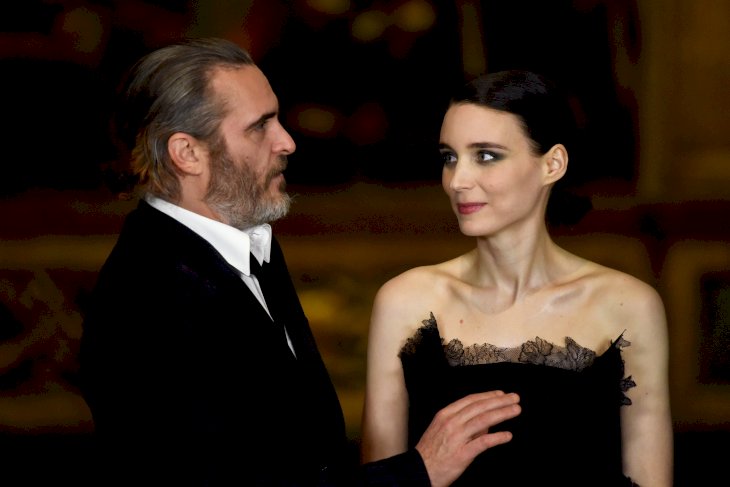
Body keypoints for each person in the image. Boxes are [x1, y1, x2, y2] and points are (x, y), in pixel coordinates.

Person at [78, 37, 521, 487]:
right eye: (259, 126)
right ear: (187, 153)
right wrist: (418, 471)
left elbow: (300, 453)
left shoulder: (247, 244)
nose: (287, 141)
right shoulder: (149, 300)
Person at [360, 70, 673, 486]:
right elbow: (379, 485)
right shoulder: (405, 301)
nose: (458, 181)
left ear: (552, 164)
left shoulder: (629, 304)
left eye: (485, 155)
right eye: (449, 157)